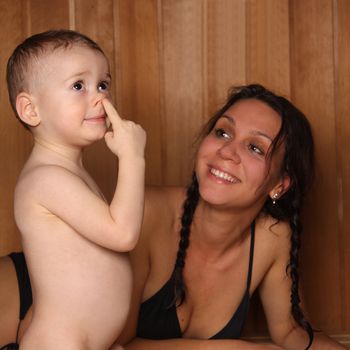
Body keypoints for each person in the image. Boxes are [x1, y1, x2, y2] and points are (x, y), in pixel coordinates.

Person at [0, 85, 346, 350]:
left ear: (279, 185)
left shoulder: (273, 235)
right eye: (223, 133)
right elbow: (111, 344)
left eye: (254, 147)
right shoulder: (147, 214)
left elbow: (291, 332)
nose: (227, 152)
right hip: (20, 304)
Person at [4, 29, 146, 350]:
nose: (100, 97)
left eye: (103, 84)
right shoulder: (46, 178)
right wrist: (133, 157)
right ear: (31, 110)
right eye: (78, 86)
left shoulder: (71, 171)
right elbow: (123, 234)